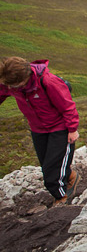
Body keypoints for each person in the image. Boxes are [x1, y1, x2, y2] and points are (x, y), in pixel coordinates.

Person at [0, 57, 81, 207]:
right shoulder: (11, 83)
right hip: (37, 128)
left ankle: (61, 197)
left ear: (25, 78)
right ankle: (70, 176)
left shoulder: (48, 81)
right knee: (46, 164)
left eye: (16, 85)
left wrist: (72, 129)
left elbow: (67, 105)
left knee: (51, 171)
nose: (13, 89)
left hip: (59, 127)